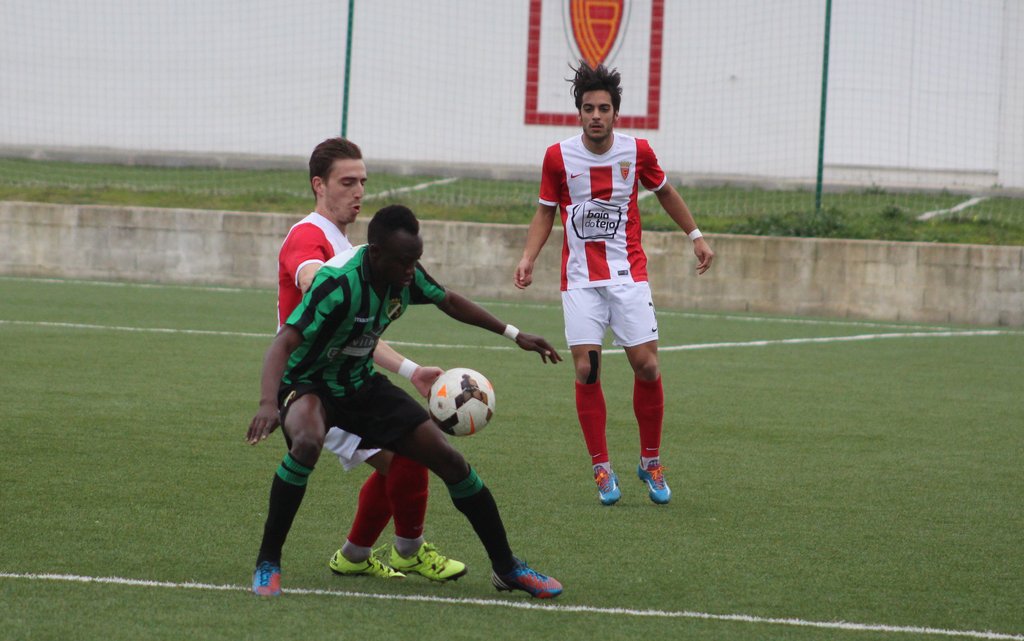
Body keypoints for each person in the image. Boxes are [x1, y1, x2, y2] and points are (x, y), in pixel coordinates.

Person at [248, 204, 565, 599]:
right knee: (307, 442)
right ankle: (268, 562)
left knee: (446, 457)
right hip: (307, 383)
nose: (411, 271)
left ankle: (507, 568)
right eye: (403, 261)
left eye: (415, 260)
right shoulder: (337, 284)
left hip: (360, 383)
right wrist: (267, 403)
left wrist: (515, 334)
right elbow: (284, 342)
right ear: (376, 253)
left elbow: (449, 301)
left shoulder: (404, 273)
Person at [514, 62, 715, 506]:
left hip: (628, 276)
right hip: (580, 281)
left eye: (603, 108)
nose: (596, 116)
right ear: (579, 112)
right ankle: (601, 467)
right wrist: (528, 257)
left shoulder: (636, 151)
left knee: (648, 367)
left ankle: (650, 460)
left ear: (616, 113)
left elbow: (665, 192)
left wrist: (696, 236)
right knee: (587, 370)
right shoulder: (557, 157)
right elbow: (545, 210)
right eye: (588, 108)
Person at [276, 137, 462, 582]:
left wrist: (411, 370)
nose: (358, 191)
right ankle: (400, 551)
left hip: (343, 374)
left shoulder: (342, 240)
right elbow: (309, 275)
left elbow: (355, 334)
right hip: (315, 383)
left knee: (406, 457)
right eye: (347, 182)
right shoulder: (309, 235)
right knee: (406, 458)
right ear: (319, 185)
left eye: (362, 181)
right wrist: (319, 280)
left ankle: (357, 555)